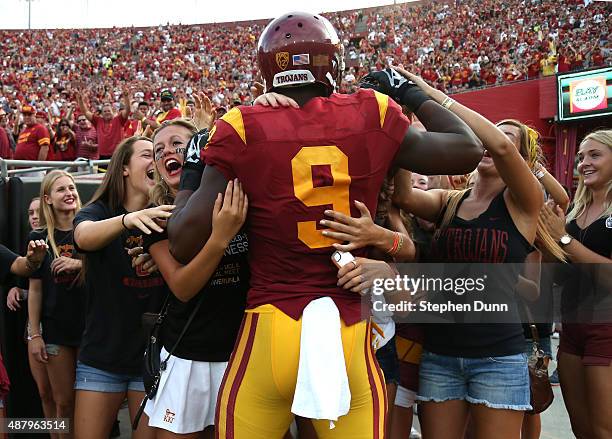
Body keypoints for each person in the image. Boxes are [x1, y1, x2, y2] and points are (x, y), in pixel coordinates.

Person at [167, 12, 482, 439]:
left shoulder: (242, 125)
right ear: (331, 64)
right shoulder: (373, 110)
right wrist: (411, 91)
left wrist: (194, 166)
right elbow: (467, 149)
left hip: (270, 327)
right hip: (348, 326)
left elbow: (184, 241)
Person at [389, 68, 560, 439]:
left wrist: (431, 95)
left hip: (499, 357)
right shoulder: (450, 203)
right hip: (439, 355)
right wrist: (399, 115)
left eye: (504, 139)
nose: (487, 145)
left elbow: (497, 145)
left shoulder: (524, 202)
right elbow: (404, 196)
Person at [143, 119, 249, 438]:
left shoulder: (239, 198)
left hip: (242, 352)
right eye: (157, 150)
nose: (167, 153)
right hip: (187, 355)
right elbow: (183, 287)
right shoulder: (156, 217)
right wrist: (220, 238)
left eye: (178, 144)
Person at [72, 136, 173, 439]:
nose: (154, 160)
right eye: (147, 154)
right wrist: (129, 220)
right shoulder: (100, 210)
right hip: (103, 357)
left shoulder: (169, 211)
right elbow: (83, 237)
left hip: (152, 360)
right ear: (124, 168)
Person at [540, 129, 612, 439]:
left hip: (607, 328)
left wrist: (563, 239)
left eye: (595, 155)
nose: (584, 163)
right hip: (572, 328)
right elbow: (557, 276)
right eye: (581, 157)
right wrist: (545, 240)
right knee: (582, 429)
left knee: (603, 429)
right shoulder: (573, 213)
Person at [26, 170, 85, 436]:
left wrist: (80, 263)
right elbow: (35, 289)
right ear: (48, 198)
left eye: (72, 187)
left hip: (92, 329)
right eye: (61, 189)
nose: (70, 193)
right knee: (63, 403)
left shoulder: (90, 228)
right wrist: (35, 334)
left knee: (88, 404)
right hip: (56, 330)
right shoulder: (37, 238)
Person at [76, 89, 130, 159]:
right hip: (102, 155)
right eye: (105, 111)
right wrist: (80, 100)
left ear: (113, 111)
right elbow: (85, 112)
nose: (107, 112)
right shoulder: (98, 121)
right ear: (102, 113)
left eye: (108, 111)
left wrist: (126, 97)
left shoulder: (119, 119)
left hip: (117, 155)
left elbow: (127, 110)